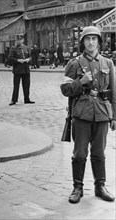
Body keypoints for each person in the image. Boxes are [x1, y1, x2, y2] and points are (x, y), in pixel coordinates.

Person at [60, 26, 115, 204]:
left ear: (99, 41)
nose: (91, 42)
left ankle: (100, 186)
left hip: (101, 114)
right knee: (80, 153)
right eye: (87, 39)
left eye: (94, 39)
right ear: (82, 42)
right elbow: (65, 89)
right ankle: (77, 187)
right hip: (81, 114)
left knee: (99, 152)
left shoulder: (108, 63)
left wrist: (114, 117)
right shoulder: (74, 63)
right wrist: (80, 82)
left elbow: (114, 92)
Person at [8, 34, 35, 105]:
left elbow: (31, 56)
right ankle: (14, 100)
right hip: (17, 69)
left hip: (26, 69)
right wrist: (18, 60)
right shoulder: (13, 48)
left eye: (20, 40)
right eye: (18, 40)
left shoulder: (26, 48)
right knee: (16, 85)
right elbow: (10, 58)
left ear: (23, 40)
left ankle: (27, 99)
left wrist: (29, 59)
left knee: (27, 85)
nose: (19, 41)